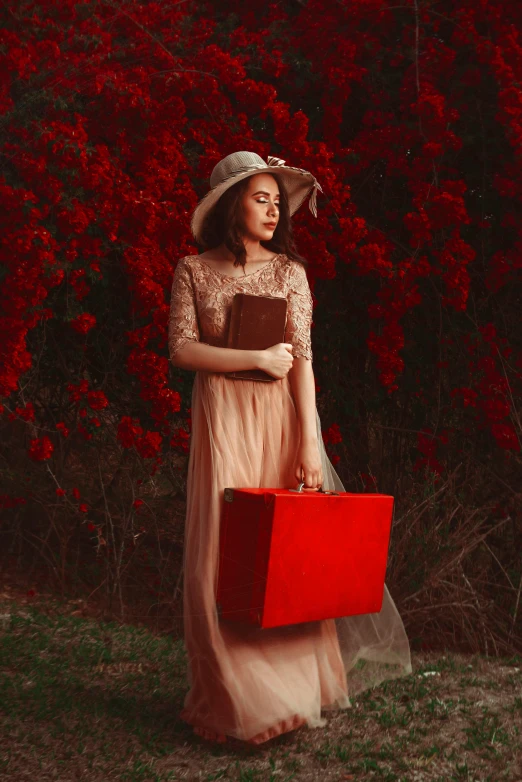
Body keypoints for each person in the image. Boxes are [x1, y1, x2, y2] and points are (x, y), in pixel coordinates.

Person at [168, 151, 412, 746]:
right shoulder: (193, 271)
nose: (275, 210)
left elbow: (302, 361)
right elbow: (182, 350)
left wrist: (310, 440)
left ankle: (290, 697)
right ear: (232, 204)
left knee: (284, 556)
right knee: (224, 556)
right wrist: (253, 358)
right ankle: (236, 702)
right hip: (224, 417)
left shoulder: (289, 273)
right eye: (261, 198)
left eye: (279, 200)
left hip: (279, 422)